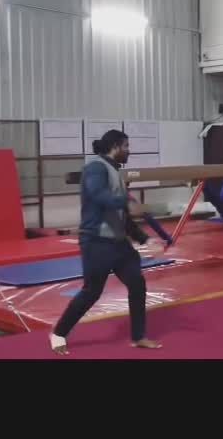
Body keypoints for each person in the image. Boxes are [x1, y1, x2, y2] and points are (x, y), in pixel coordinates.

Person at [49, 130, 162, 355]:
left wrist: (145, 238)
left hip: (119, 243)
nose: (129, 151)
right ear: (115, 146)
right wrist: (126, 202)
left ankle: (138, 336)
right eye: (126, 146)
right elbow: (97, 195)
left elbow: (122, 217)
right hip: (96, 242)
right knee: (92, 292)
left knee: (137, 284)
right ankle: (59, 333)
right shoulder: (95, 168)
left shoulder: (115, 172)